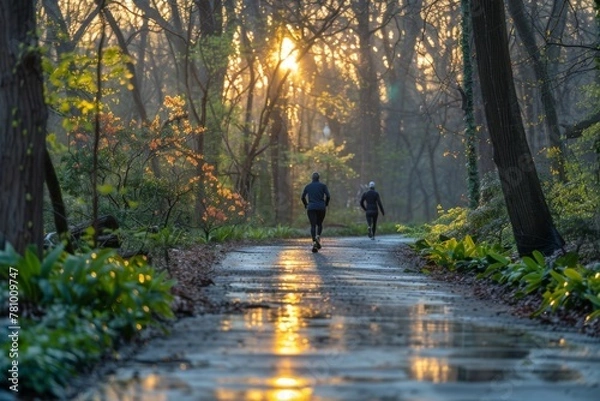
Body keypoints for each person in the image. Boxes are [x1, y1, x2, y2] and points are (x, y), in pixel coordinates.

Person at [301, 172, 330, 252]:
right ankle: (318, 236)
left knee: (313, 225)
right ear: (318, 178)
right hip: (321, 207)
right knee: (319, 224)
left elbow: (302, 197)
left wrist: (306, 204)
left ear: (312, 178)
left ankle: (314, 241)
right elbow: (328, 196)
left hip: (311, 207)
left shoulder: (308, 186)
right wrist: (326, 203)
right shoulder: (323, 186)